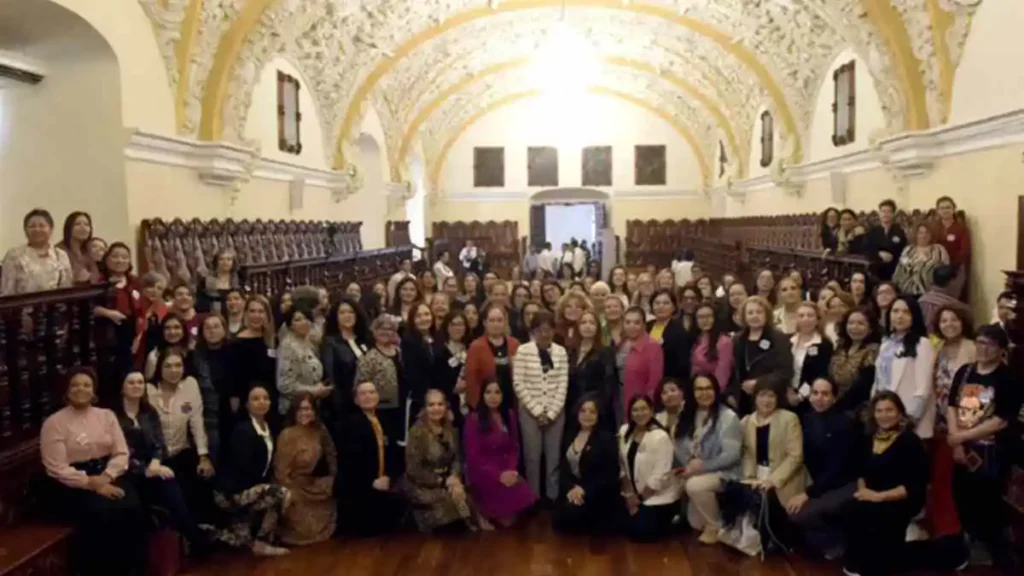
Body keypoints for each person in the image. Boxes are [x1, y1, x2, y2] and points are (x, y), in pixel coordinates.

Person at [39, 367, 147, 575]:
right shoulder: (54, 423)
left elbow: (121, 453)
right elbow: (56, 467)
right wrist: (91, 483)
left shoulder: (107, 416)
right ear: (66, 390)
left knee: (132, 507)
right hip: (71, 484)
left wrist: (106, 477)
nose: (81, 389)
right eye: (75, 385)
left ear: (94, 390)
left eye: (87, 385)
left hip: (107, 473)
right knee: (102, 513)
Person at [947, 325, 1020, 570]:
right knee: (961, 494)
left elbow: (1001, 419)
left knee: (988, 501)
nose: (983, 348)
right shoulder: (965, 372)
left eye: (989, 344)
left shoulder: (1007, 378)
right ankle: (971, 541)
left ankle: (992, 549)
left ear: (1000, 349)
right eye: (979, 342)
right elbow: (952, 406)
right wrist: (956, 438)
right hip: (961, 446)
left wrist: (964, 436)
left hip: (991, 451)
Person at [842, 391, 929, 576]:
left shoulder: (909, 441)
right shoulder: (868, 437)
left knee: (876, 516)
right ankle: (856, 564)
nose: (884, 415)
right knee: (852, 509)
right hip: (872, 492)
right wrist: (864, 492)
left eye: (889, 410)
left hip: (901, 497)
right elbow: (860, 472)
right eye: (879, 410)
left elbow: (914, 485)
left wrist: (878, 497)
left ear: (899, 413)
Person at [210, 384, 291, 556]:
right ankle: (259, 540)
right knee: (279, 493)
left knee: (240, 542)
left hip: (250, 488)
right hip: (231, 492)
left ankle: (249, 534)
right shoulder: (243, 430)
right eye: (255, 399)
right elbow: (241, 468)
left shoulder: (270, 429)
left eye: (265, 398)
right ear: (247, 404)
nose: (261, 402)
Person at [787, 378, 857, 559]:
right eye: (815, 393)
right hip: (816, 481)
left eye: (825, 394)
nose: (819, 398)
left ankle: (837, 542)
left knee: (798, 513)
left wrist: (807, 493)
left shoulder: (844, 424)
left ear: (834, 398)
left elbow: (837, 470)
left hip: (842, 484)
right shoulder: (806, 418)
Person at [674, 373, 743, 544]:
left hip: (725, 472)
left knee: (694, 486)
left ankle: (716, 526)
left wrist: (701, 467)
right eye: (699, 389)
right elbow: (679, 445)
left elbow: (732, 455)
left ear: (716, 390)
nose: (704, 393)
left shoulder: (728, 417)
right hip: (696, 471)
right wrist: (688, 467)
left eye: (708, 388)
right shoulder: (688, 414)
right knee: (695, 524)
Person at [738, 381, 805, 550]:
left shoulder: (789, 418)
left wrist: (773, 480)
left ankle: (775, 540)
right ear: (755, 398)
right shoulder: (747, 421)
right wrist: (749, 476)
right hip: (757, 473)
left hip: (786, 476)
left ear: (778, 398)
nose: (766, 400)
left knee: (768, 497)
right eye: (762, 395)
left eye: (771, 395)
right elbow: (746, 453)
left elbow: (795, 456)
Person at [464, 379, 537, 527]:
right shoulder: (474, 420)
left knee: (530, 505)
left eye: (497, 392)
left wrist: (511, 470)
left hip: (506, 469)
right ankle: (480, 510)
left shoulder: (509, 415)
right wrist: (498, 476)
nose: (493, 396)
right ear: (482, 395)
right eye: (488, 392)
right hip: (484, 472)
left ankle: (497, 512)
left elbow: (514, 447)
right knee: (507, 522)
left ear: (503, 395)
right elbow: (474, 457)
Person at [513, 310, 569, 501]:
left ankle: (552, 497)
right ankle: (532, 497)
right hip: (530, 412)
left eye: (548, 329)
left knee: (553, 458)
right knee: (532, 458)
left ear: (554, 330)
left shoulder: (560, 352)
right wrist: (537, 411)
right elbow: (519, 383)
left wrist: (552, 412)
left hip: (556, 411)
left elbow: (563, 383)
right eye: (540, 329)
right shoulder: (523, 351)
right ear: (533, 330)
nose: (545, 333)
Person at [340, 381, 408, 536]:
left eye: (371, 392)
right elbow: (349, 462)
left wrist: (388, 476)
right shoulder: (350, 425)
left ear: (378, 396)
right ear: (356, 400)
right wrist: (371, 481)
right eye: (363, 394)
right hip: (362, 486)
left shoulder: (384, 420)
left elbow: (393, 453)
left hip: (384, 482)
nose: (368, 396)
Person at [403, 389, 476, 533]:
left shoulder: (450, 427)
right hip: (423, 484)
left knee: (464, 499)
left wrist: (454, 478)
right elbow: (414, 469)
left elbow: (457, 458)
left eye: (440, 404)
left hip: (448, 480)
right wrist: (442, 481)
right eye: (431, 405)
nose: (436, 408)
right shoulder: (416, 432)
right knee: (450, 505)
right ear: (425, 408)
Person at [273, 393, 337, 545]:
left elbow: (331, 452)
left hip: (310, 483)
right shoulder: (287, 435)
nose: (305, 413)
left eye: (308, 409)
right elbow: (281, 472)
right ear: (294, 412)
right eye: (300, 409)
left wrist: (334, 476)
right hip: (291, 485)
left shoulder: (319, 430)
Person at [553, 394, 620, 535]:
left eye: (592, 411)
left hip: (596, 492)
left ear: (598, 415)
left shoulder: (606, 438)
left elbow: (609, 475)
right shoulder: (569, 435)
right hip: (574, 490)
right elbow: (564, 469)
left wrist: (584, 490)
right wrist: (572, 489)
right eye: (583, 410)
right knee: (562, 520)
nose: (587, 415)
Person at [872, 296, 936, 439]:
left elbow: (923, 388)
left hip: (909, 421)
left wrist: (908, 420)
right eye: (895, 311)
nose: (900, 316)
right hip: (884, 418)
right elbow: (878, 381)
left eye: (906, 312)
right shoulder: (885, 343)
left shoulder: (922, 344)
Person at [619, 394, 680, 542]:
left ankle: (674, 519)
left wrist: (638, 499)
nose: (640, 413)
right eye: (635, 410)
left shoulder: (660, 436)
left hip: (656, 496)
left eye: (643, 409)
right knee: (615, 525)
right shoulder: (624, 430)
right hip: (632, 493)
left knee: (639, 532)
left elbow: (660, 476)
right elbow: (622, 467)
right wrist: (629, 495)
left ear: (651, 411)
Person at [727, 296, 794, 417]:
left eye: (759, 312)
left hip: (770, 399)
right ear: (744, 316)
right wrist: (731, 393)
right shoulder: (736, 340)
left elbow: (785, 372)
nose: (755, 316)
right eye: (750, 313)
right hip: (742, 402)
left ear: (766, 314)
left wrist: (758, 383)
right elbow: (730, 369)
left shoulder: (779, 339)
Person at [354, 315, 407, 453]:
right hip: (380, 410)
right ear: (374, 332)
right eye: (381, 328)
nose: (386, 332)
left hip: (401, 407)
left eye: (390, 329)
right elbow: (360, 385)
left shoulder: (399, 353)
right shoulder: (368, 357)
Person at [320, 295, 372, 420]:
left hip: (368, 401)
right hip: (345, 406)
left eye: (351, 312)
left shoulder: (364, 339)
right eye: (342, 312)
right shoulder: (330, 343)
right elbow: (331, 377)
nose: (347, 316)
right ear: (335, 317)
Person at [1, 208, 73, 295]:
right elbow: (7, 291)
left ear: (50, 229)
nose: (37, 229)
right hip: (23, 306)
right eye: (32, 226)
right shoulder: (14, 255)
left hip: (55, 306)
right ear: (25, 230)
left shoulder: (61, 255)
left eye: (42, 226)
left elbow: (66, 291)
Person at [568, 310, 617, 432]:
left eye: (592, 323)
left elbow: (608, 385)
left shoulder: (605, 352)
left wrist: (593, 407)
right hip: (573, 410)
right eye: (583, 322)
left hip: (596, 410)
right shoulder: (571, 352)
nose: (587, 326)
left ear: (597, 328)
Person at [464, 304, 520, 410]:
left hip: (511, 403)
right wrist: (477, 407)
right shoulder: (476, 346)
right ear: (485, 323)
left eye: (499, 320)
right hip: (484, 406)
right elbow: (471, 381)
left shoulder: (515, 344)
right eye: (492, 320)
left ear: (505, 322)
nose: (496, 324)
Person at [276, 306, 327, 415]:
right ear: (290, 325)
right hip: (294, 409)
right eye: (297, 320)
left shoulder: (309, 345)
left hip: (312, 406)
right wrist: (312, 390)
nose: (303, 322)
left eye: (305, 319)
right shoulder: (288, 347)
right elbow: (285, 384)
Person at [829, 309, 881, 414]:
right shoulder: (840, 346)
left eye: (861, 323)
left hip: (856, 409)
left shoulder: (873, 350)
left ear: (870, 328)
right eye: (851, 323)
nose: (854, 327)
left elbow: (863, 385)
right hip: (831, 402)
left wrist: (839, 403)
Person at [619, 306, 664, 424]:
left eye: (636, 323)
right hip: (620, 404)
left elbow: (654, 384)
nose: (631, 326)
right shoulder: (622, 343)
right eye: (628, 322)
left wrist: (645, 410)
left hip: (640, 408)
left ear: (644, 325)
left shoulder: (653, 347)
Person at [789, 302, 834, 412]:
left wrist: (800, 396)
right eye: (801, 316)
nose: (806, 319)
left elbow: (819, 374)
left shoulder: (824, 344)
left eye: (810, 315)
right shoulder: (788, 341)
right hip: (786, 396)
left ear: (817, 320)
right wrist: (787, 391)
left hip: (810, 400)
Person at [646, 288, 694, 380]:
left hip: (669, 380)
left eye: (666, 303)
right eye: (657, 303)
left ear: (673, 307)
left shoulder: (679, 331)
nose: (661, 306)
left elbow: (683, 365)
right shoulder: (647, 327)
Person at [893, 224, 950, 296]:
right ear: (916, 234)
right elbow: (899, 270)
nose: (923, 235)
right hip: (906, 292)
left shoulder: (939, 249)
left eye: (927, 233)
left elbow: (946, 272)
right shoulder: (908, 249)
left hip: (930, 293)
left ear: (931, 235)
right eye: (920, 233)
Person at [931, 196, 971, 298]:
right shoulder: (933, 227)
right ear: (938, 211)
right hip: (935, 268)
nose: (945, 210)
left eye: (948, 207)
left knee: (951, 298)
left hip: (955, 269)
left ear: (953, 209)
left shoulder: (961, 228)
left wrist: (952, 266)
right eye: (942, 208)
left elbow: (965, 251)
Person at [691, 302, 734, 390]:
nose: (704, 320)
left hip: (713, 390)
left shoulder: (724, 342)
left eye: (708, 316)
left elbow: (722, 374)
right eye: (700, 317)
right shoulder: (697, 338)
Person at [864, 199, 909, 281]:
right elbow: (866, 248)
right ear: (879, 213)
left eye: (889, 212)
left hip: (894, 270)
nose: (885, 214)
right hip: (876, 270)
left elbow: (903, 250)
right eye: (883, 211)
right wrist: (878, 254)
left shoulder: (899, 231)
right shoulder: (873, 231)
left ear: (893, 214)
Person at [918, 265, 971, 334]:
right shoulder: (959, 309)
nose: (961, 285)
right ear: (952, 282)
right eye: (960, 282)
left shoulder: (921, 301)